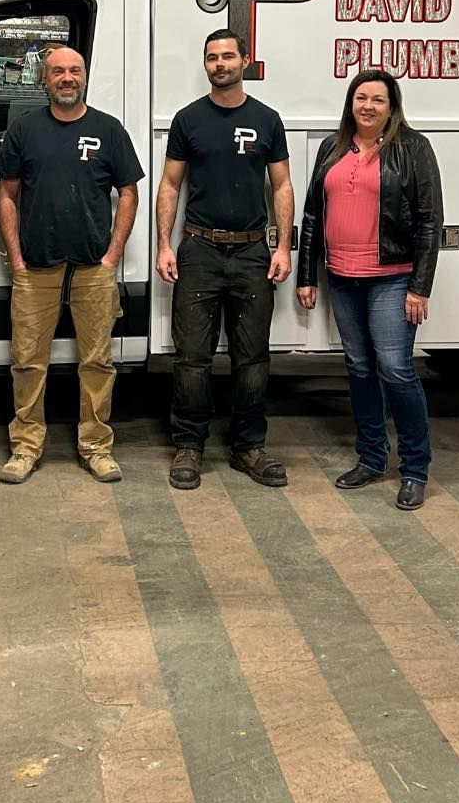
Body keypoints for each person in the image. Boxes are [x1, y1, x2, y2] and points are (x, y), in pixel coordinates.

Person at [296, 69, 442, 509]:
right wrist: (307, 275)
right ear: (351, 103)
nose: (368, 107)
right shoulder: (332, 147)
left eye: (378, 100)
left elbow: (429, 220)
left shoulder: (413, 148)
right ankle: (372, 459)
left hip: (393, 278)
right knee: (359, 368)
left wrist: (419, 287)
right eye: (361, 98)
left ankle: (414, 469)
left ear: (392, 106)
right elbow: (312, 216)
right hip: (342, 277)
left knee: (396, 369)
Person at [0, 46, 143, 484]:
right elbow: (7, 195)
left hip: (94, 269)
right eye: (57, 71)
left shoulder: (108, 130)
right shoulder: (24, 130)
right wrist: (17, 260)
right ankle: (25, 447)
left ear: (84, 77)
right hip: (35, 266)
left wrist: (113, 255)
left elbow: (130, 193)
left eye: (74, 71)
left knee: (97, 361)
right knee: (27, 361)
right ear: (44, 79)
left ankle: (96, 446)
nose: (66, 78)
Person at [156, 28, 293, 491]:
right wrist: (164, 244)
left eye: (228, 56)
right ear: (206, 64)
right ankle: (189, 445)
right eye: (212, 57)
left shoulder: (267, 119)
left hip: (254, 252)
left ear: (245, 61)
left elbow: (282, 186)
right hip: (199, 250)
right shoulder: (188, 120)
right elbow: (170, 185)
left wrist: (283, 246)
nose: (220, 64)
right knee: (192, 358)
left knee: (252, 358)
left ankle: (248, 447)